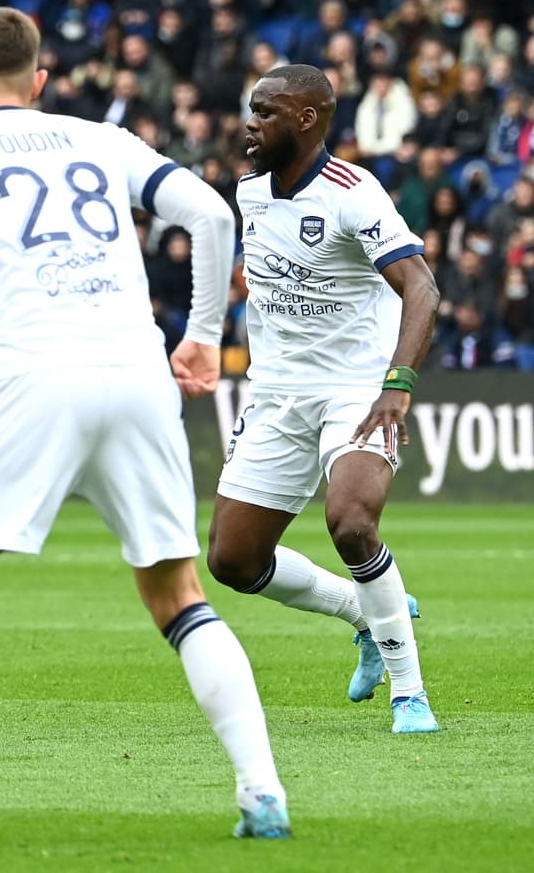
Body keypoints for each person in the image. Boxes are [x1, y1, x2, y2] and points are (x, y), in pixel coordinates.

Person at [0, 7, 290, 844]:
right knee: (178, 596)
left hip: (35, 375)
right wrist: (201, 336)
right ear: (41, 81)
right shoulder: (105, 140)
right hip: (139, 377)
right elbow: (216, 218)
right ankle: (263, 790)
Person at [206, 64, 439, 735]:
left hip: (356, 390)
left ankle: (409, 691)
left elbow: (421, 288)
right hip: (278, 394)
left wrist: (397, 385)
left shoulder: (353, 192)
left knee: (352, 521)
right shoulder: (250, 193)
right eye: (251, 110)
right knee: (232, 560)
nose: (252, 123)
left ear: (307, 118)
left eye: (266, 111)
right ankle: (362, 612)